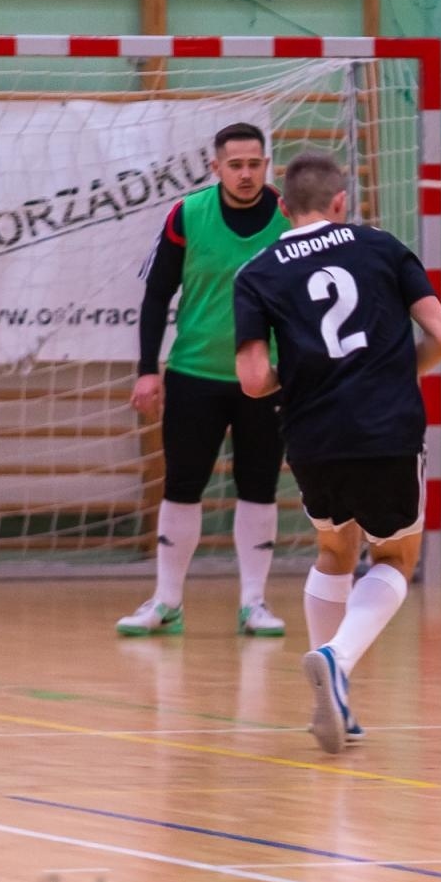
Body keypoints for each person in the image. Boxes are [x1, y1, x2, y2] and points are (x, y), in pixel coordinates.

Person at [234, 151, 441, 755]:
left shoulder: (257, 271)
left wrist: (305, 377)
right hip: (385, 428)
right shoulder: (380, 246)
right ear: (341, 202)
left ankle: (334, 703)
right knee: (393, 558)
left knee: (334, 549)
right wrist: (392, 372)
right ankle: (336, 660)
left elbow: (253, 380)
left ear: (282, 209)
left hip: (312, 435)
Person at [119, 122, 292, 637]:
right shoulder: (188, 215)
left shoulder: (289, 217)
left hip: (268, 379)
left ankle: (254, 603)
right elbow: (155, 296)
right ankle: (167, 602)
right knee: (182, 486)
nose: (245, 174)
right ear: (215, 168)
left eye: (254, 164)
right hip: (196, 373)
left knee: (259, 487)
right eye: (234, 165)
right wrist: (149, 369)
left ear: (268, 165)